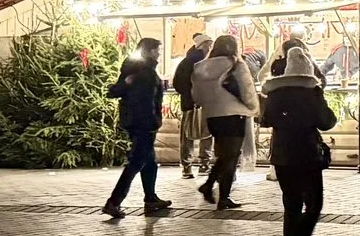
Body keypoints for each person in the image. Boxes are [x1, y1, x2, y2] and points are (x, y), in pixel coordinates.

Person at [258, 48, 338, 236]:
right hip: (307, 153)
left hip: (282, 154)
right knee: (313, 204)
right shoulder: (312, 92)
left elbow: (266, 120)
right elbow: (326, 121)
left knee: (291, 204)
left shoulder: (275, 93)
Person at [102, 39, 174, 219]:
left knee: (149, 162)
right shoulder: (144, 71)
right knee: (137, 162)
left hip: (135, 121)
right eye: (157, 50)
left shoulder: (135, 68)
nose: (159, 53)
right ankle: (114, 202)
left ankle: (151, 198)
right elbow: (145, 100)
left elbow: (116, 91)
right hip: (143, 123)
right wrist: (152, 122)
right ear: (149, 51)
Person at [190, 35, 258, 209]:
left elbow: (196, 95)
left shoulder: (200, 67)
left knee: (225, 154)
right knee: (231, 156)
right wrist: (253, 108)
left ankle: (217, 192)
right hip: (234, 115)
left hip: (212, 116)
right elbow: (247, 89)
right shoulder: (236, 64)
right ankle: (216, 191)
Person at [170, 34, 209, 180]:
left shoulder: (186, 62)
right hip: (204, 103)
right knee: (206, 134)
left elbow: (177, 83)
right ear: (202, 46)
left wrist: (189, 94)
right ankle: (203, 163)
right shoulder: (205, 62)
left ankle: (187, 166)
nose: (210, 47)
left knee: (188, 135)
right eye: (208, 44)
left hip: (188, 103)